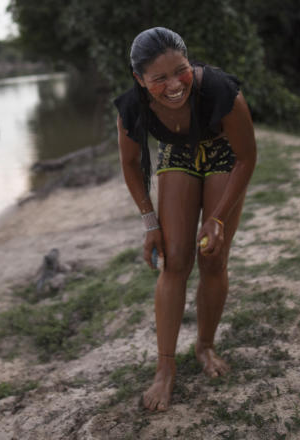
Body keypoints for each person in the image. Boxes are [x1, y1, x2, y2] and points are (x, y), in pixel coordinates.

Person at [114, 27, 257, 411]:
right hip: (177, 154)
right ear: (140, 80)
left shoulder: (221, 91)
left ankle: (205, 346)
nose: (174, 85)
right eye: (159, 78)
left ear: (189, 62)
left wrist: (219, 219)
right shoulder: (132, 106)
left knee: (213, 256)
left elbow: (247, 157)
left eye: (181, 71)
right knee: (175, 259)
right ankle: (165, 370)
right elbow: (129, 163)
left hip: (223, 154)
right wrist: (150, 223)